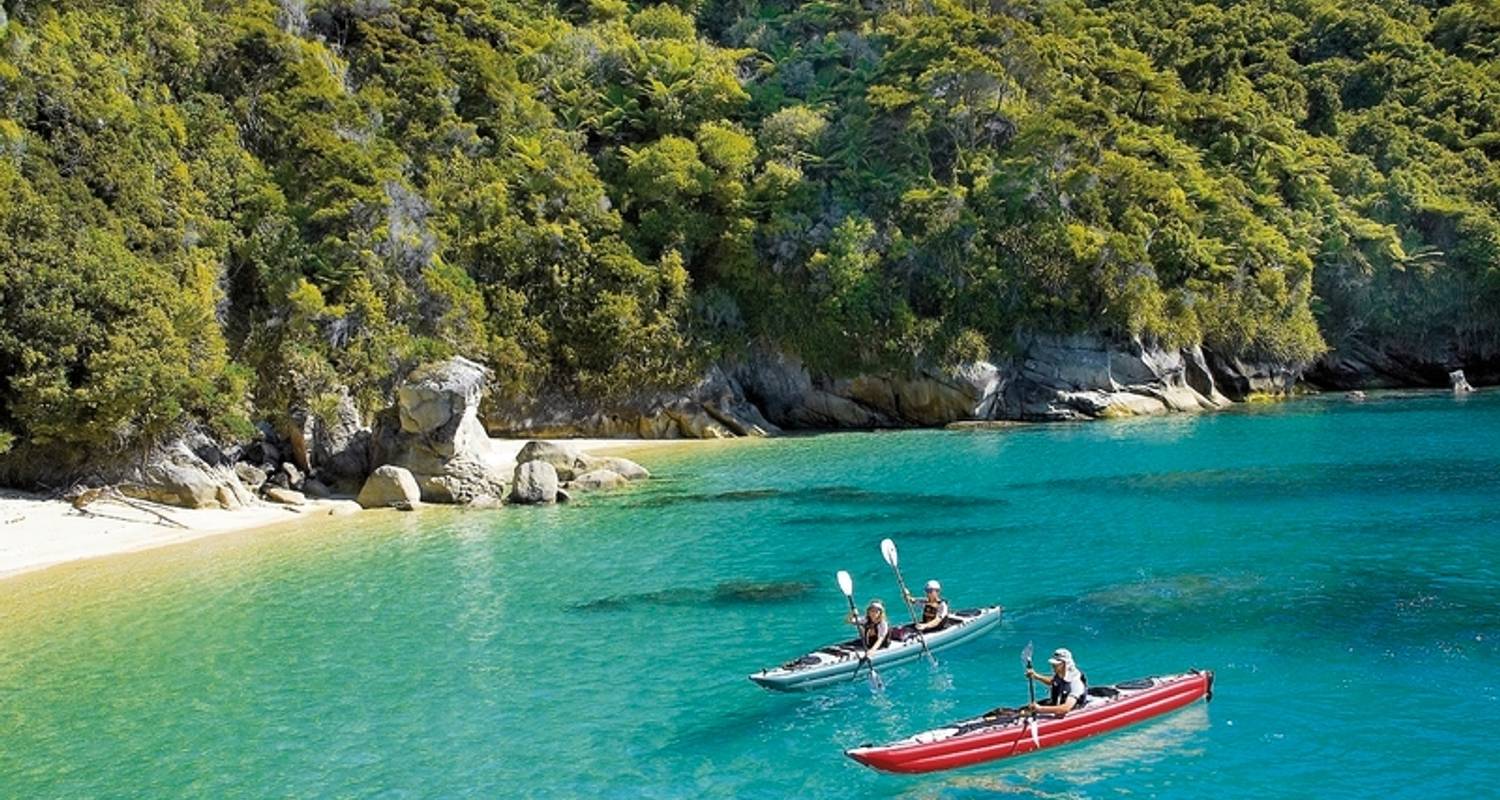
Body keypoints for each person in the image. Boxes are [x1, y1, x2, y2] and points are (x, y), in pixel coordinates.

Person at [1025, 647, 1088, 716]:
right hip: (1057, 703)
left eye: (1056, 664)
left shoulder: (1076, 683)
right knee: (1025, 710)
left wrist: (1040, 709)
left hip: (1072, 712)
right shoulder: (1060, 674)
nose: (1053, 666)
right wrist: (1036, 676)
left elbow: (1066, 708)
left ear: (1065, 664)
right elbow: (1053, 682)